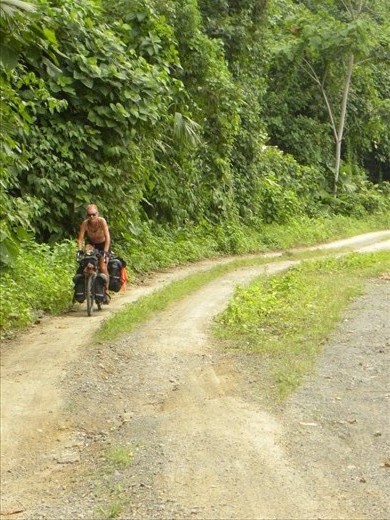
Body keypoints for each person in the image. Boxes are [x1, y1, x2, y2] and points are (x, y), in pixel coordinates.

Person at [77, 204, 111, 294]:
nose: (91, 217)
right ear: (87, 215)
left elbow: (107, 237)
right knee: (87, 261)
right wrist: (80, 250)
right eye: (89, 215)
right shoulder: (85, 223)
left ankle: (106, 291)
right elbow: (80, 239)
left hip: (103, 244)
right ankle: (89, 282)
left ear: (97, 214)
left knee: (103, 267)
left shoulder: (102, 221)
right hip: (92, 244)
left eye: (94, 214)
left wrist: (106, 252)